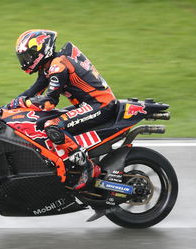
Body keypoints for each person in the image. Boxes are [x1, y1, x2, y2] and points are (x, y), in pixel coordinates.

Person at [6, 29, 117, 190]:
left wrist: (24, 103)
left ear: (41, 51)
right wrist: (5, 108)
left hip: (100, 105)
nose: (25, 61)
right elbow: (32, 92)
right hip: (89, 105)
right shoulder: (48, 67)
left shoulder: (58, 65)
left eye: (28, 56)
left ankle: (87, 166)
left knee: (52, 124)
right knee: (43, 121)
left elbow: (49, 102)